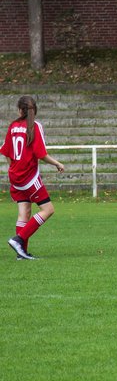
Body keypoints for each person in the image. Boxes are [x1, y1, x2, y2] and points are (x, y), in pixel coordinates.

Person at [3, 96, 66, 260]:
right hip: (29, 178)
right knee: (48, 210)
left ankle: (21, 253)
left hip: (15, 177)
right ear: (34, 110)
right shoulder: (34, 126)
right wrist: (57, 163)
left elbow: (6, 151)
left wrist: (14, 167)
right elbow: (41, 154)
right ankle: (19, 239)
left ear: (19, 110)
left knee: (24, 213)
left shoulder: (13, 126)